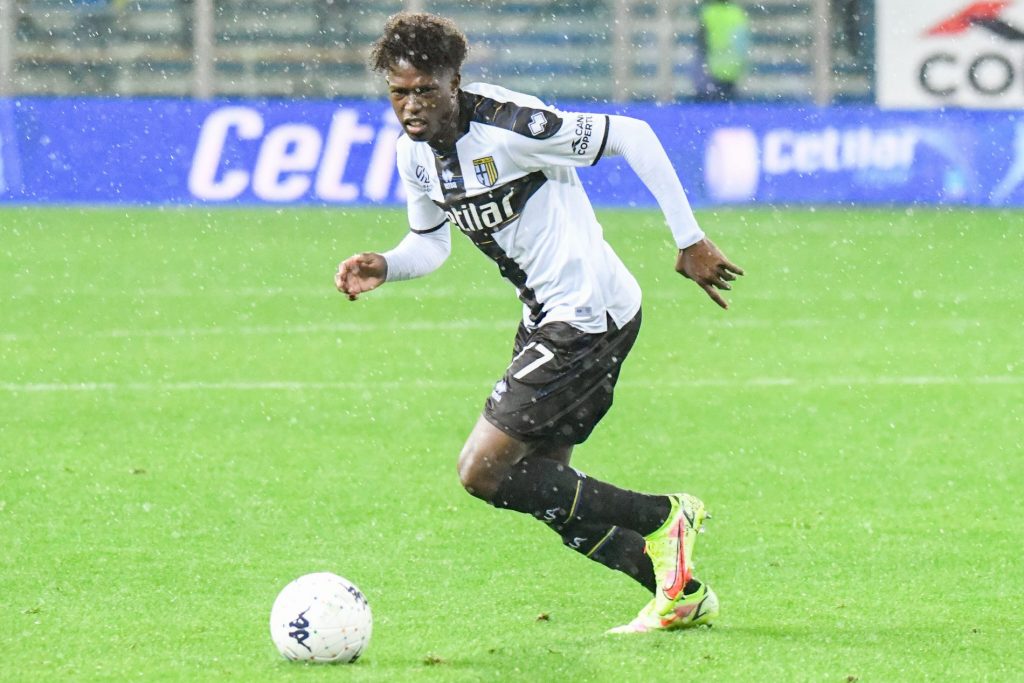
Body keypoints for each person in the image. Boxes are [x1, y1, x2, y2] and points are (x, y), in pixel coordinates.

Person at [335, 12, 744, 633]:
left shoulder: (510, 126)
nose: (411, 105)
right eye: (399, 92)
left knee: (482, 472)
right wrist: (387, 265)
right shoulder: (413, 155)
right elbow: (431, 243)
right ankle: (679, 590)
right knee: (544, 489)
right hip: (548, 316)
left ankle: (665, 517)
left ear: (454, 82)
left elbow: (632, 135)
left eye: (426, 90)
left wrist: (689, 239)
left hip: (587, 314)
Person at [695, 0, 750, 102]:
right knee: (729, 101)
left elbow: (701, 43)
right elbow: (742, 42)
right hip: (733, 66)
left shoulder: (708, 12)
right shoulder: (737, 12)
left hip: (712, 67)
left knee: (711, 102)